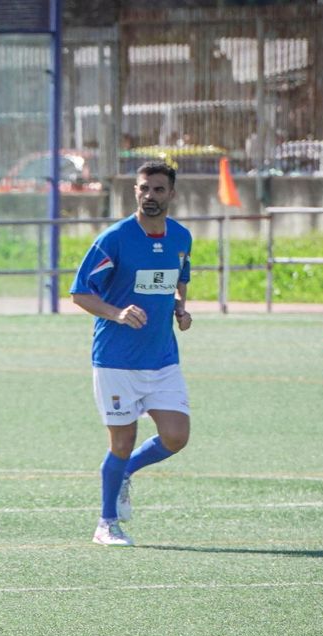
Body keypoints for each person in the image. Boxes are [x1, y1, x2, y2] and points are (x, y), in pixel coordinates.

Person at [70, 161, 194, 547]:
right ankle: (106, 523)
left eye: (158, 190)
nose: (150, 196)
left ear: (171, 194)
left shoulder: (181, 237)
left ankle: (125, 472)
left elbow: (178, 278)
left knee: (176, 436)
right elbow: (80, 292)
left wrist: (179, 307)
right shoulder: (115, 239)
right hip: (116, 359)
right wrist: (117, 313)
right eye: (144, 189)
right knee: (121, 443)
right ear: (135, 192)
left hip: (162, 357)